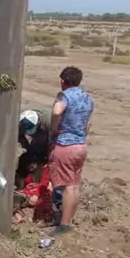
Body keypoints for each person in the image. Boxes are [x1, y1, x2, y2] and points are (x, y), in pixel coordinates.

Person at [47, 66, 94, 236]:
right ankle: (69, 220)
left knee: (66, 187)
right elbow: (87, 123)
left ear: (62, 81)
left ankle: (64, 225)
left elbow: (57, 111)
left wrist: (54, 127)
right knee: (74, 185)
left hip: (65, 145)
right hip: (81, 146)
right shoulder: (87, 98)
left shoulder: (65, 96)